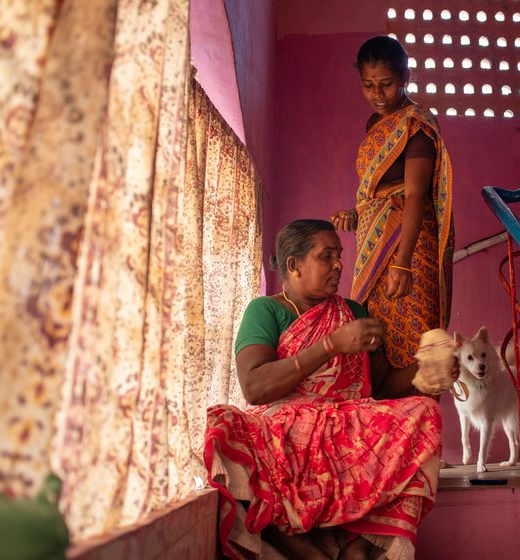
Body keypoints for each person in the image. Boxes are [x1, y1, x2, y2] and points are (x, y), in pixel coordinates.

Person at [205, 219, 443, 560]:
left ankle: (358, 548)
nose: (339, 264)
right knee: (225, 425)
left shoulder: (354, 313)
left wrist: (426, 372)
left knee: (425, 411)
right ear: (294, 265)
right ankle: (309, 554)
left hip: (348, 424)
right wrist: (331, 345)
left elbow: (382, 387)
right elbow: (255, 387)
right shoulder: (267, 310)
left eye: (339, 255)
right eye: (326, 255)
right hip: (284, 427)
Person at [331, 35, 454, 370]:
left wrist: (403, 263)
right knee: (378, 343)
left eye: (386, 84)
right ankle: (387, 420)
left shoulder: (414, 124)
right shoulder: (376, 126)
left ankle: (420, 416)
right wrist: (357, 216)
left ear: (405, 78)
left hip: (410, 248)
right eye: (368, 85)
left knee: (415, 343)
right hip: (379, 245)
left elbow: (415, 195)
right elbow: (380, 194)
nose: (377, 94)